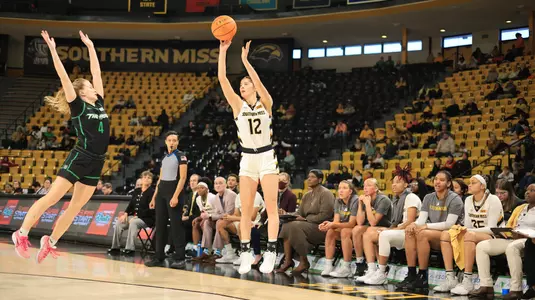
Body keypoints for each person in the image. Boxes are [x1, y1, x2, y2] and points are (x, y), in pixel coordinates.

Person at [12, 30, 110, 263]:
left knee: (76, 207)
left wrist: (91, 47)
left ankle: (50, 241)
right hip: (80, 156)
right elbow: (64, 77)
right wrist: (53, 51)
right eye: (89, 85)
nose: (95, 86)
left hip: (98, 161)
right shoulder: (78, 105)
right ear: (82, 91)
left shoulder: (99, 103)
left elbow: (96, 71)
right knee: (53, 197)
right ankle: (22, 233)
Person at [218, 40, 280, 274]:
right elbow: (223, 80)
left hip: (266, 157)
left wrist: (246, 62)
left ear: (253, 86)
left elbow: (259, 83)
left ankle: (271, 252)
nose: (242, 87)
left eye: (246, 84)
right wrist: (224, 52)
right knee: (245, 210)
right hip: (248, 159)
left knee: (271, 208)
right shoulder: (237, 106)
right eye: (241, 84)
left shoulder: (266, 103)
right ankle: (245, 253)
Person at [434, 175, 503, 295]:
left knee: (469, 235)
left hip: (495, 236)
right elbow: (467, 225)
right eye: (469, 182)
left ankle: (467, 280)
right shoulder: (468, 200)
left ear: (482, 186)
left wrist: (468, 231)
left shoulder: (493, 200)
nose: (469, 185)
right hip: (472, 234)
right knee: (445, 235)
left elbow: (493, 229)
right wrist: (463, 230)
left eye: (473, 183)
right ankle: (450, 278)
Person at [396, 171, 464, 291]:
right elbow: (421, 220)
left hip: (451, 236)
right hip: (433, 233)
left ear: (449, 184)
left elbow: (449, 225)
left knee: (422, 233)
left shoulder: (455, 199)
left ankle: (423, 276)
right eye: (436, 179)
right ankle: (412, 274)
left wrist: (426, 226)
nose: (437, 182)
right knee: (410, 231)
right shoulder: (428, 197)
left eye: (442, 180)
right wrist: (413, 224)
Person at [470, 184, 535, 300]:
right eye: (527, 190)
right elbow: (509, 226)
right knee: (482, 246)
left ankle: (516, 289)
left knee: (512, 248)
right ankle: (486, 286)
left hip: (529, 240)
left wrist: (524, 233)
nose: (527, 193)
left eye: (532, 190)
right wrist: (504, 232)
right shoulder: (520, 208)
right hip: (513, 238)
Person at [358, 166, 421, 285]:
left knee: (384, 235)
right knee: (369, 234)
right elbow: (396, 223)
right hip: (400, 231)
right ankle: (372, 270)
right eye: (393, 182)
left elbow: (410, 221)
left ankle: (382, 272)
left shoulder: (411, 197)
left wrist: (390, 230)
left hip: (411, 233)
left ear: (406, 185)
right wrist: (389, 228)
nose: (393, 185)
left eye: (398, 182)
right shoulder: (396, 199)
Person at [144, 131, 188, 269]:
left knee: (176, 225)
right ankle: (159, 256)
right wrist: (154, 197)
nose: (172, 142)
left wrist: (175, 196)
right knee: (160, 224)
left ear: (178, 142)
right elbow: (160, 179)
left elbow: (183, 177)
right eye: (170, 140)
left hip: (173, 190)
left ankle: (180, 257)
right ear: (166, 142)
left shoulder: (181, 156)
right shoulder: (164, 158)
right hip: (162, 191)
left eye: (174, 140)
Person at [108, 171, 155, 255]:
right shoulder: (137, 191)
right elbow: (131, 204)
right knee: (119, 222)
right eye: (144, 177)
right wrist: (126, 213)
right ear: (141, 179)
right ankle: (115, 247)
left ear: (151, 181)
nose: (146, 179)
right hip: (135, 217)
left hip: (147, 219)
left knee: (133, 222)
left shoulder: (153, 192)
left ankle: (130, 249)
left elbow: (151, 210)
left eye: (149, 178)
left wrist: (137, 216)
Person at [319, 180, 358, 278]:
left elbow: (352, 223)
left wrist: (332, 224)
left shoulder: (355, 200)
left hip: (357, 228)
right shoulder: (338, 200)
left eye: (344, 188)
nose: (341, 190)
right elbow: (336, 222)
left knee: (344, 232)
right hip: (345, 227)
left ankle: (346, 267)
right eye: (339, 188)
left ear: (350, 191)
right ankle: (328, 265)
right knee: (331, 232)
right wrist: (328, 225)